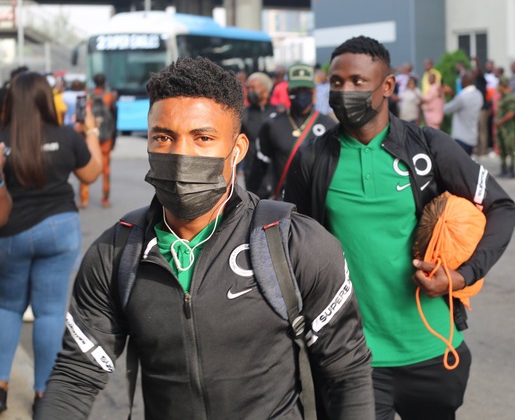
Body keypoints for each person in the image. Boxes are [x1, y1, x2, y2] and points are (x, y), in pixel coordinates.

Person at [36, 56, 373, 419]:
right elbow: (75, 378)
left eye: (203, 138)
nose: (181, 154)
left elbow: (346, 373)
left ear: (237, 150)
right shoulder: (116, 253)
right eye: (163, 137)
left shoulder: (295, 245)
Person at [284, 36, 515, 420]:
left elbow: (502, 207)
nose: (345, 91)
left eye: (358, 81)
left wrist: (461, 277)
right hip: (352, 358)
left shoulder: (427, 148)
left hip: (433, 350)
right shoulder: (313, 160)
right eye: (337, 82)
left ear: (387, 86)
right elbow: (293, 245)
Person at [0, 72, 102, 414]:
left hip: (11, 234)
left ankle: (0, 386)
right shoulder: (65, 136)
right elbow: (91, 174)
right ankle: (44, 394)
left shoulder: (3, 139)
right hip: (60, 229)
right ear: (48, 100)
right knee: (49, 312)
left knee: (7, 308)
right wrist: (91, 130)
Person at [247, 62, 335, 200]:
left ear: (313, 91)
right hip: (284, 204)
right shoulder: (272, 124)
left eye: (305, 89)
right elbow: (259, 168)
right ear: (288, 91)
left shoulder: (328, 125)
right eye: (296, 90)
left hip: (317, 204)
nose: (301, 94)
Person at [78, 73, 117, 209]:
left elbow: (81, 116)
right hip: (106, 138)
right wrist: (113, 139)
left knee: (84, 164)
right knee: (106, 170)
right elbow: (114, 118)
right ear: (104, 82)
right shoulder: (110, 96)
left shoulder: (88, 96)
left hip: (90, 137)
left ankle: (84, 198)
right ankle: (105, 198)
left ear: (94, 82)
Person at [240, 71, 278, 190]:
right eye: (248, 88)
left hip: (276, 171)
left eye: (254, 87)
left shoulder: (279, 113)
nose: (250, 91)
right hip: (252, 172)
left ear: (266, 90)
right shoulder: (243, 114)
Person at [443, 71, 482, 155]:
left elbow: (446, 109)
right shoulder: (479, 95)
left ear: (465, 81)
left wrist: (443, 95)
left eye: (461, 80)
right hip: (472, 137)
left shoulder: (462, 96)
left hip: (461, 138)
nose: (460, 82)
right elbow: (460, 105)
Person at [495, 77, 515, 178]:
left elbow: (511, 113)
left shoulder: (511, 97)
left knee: (510, 149)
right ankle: (503, 169)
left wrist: (500, 122)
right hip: (501, 128)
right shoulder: (503, 97)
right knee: (502, 149)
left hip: (508, 128)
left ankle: (512, 170)